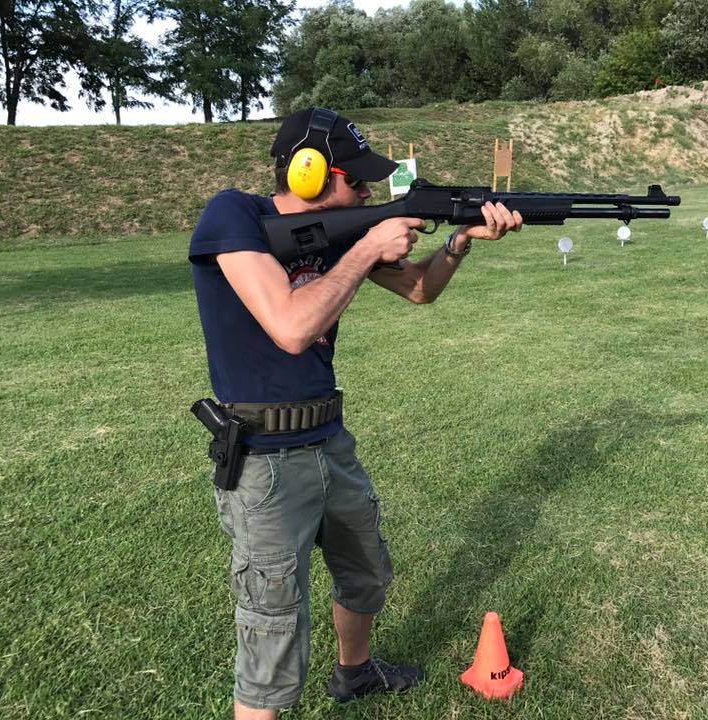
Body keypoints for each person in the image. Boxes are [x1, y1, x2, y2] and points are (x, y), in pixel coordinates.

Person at [188, 107, 522, 719]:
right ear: (309, 172)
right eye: (358, 180)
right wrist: (368, 244)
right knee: (271, 618)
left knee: (365, 572)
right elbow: (292, 327)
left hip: (328, 440)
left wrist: (460, 240)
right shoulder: (234, 216)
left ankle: (355, 672)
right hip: (263, 460)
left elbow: (419, 288)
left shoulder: (342, 234)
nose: (370, 192)